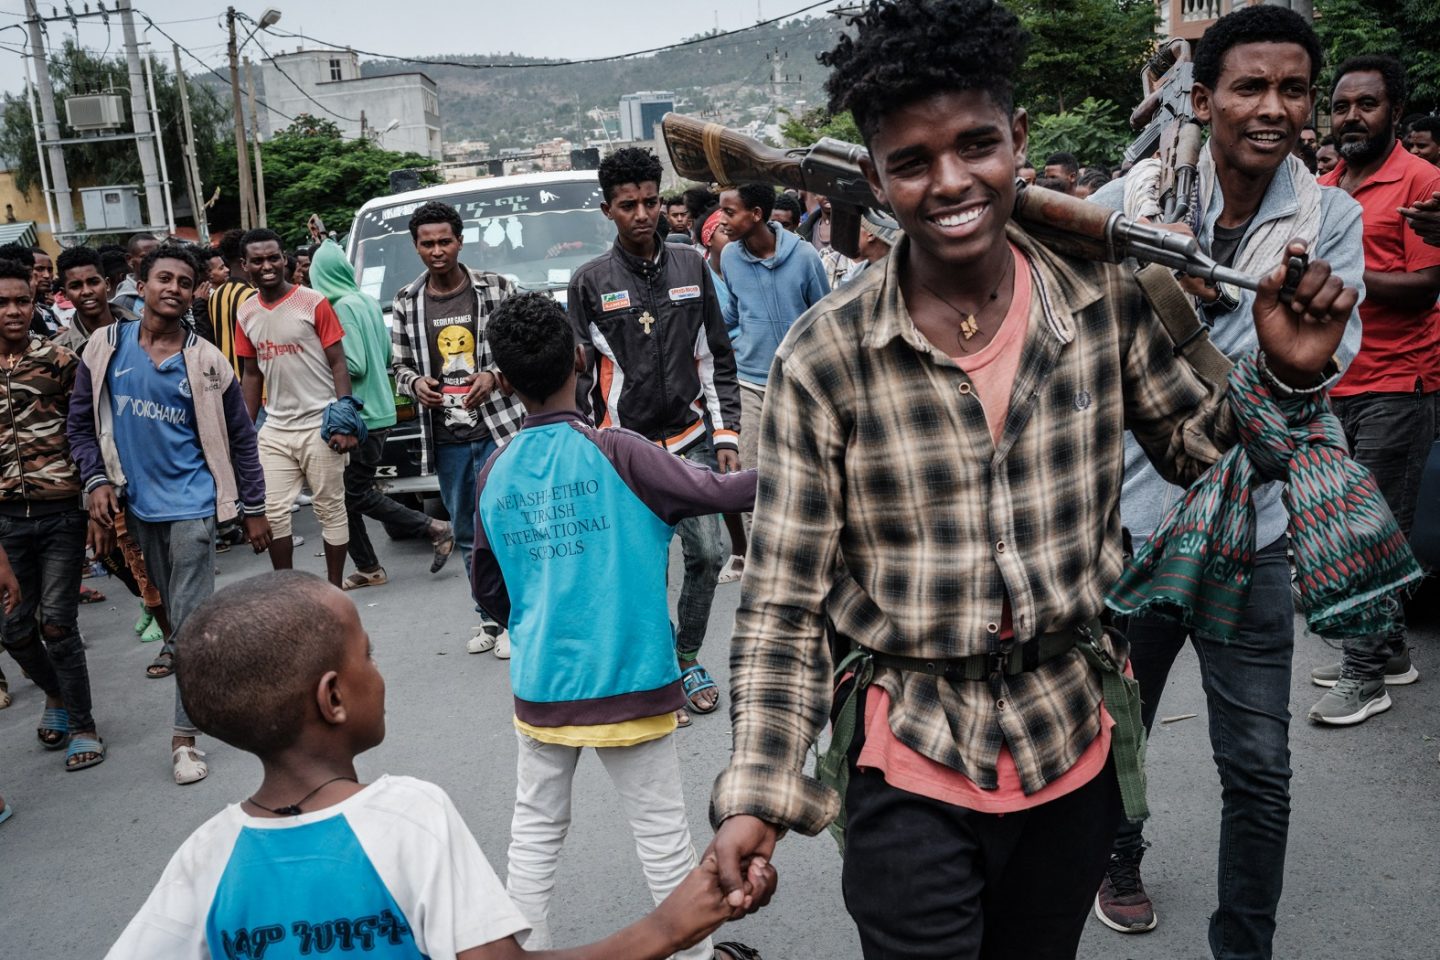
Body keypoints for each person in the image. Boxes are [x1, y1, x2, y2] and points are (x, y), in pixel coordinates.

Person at [705, 3, 1358, 959]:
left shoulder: (1106, 297)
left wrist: (1287, 374)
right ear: (876, 177)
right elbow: (783, 602)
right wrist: (759, 795)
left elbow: (1202, 448)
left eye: (976, 145)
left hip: (1071, 739)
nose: (952, 182)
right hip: (910, 753)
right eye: (914, 162)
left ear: (1018, 140)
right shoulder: (826, 356)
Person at [1088, 6, 1364, 952]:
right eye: (1250, 86)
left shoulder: (1332, 218)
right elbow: (1082, 349)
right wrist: (1157, 288)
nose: (1274, 107)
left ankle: (1244, 941)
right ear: (1202, 100)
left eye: (1294, 88)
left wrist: (1291, 363)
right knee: (1117, 735)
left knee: (1259, 767)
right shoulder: (1137, 197)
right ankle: (1117, 858)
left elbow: (1329, 365)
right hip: (1136, 521)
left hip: (1257, 532)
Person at [105, 569, 752, 960]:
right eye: (370, 655)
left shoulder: (204, 857)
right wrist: (669, 925)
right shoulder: (408, 818)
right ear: (332, 698)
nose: (379, 674)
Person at [471, 293, 760, 960]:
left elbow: (490, 591)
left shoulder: (494, 471)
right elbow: (717, 493)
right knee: (662, 835)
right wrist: (806, 468)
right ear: (580, 359)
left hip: (542, 688)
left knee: (534, 834)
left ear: (506, 383)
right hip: (630, 679)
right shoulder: (621, 453)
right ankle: (693, 955)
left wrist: (536, 620)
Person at [69, 243, 271, 786]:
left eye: (185, 282)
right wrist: (94, 481)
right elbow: (81, 426)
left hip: (193, 508)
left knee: (188, 624)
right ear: (140, 282)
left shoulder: (206, 360)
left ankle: (184, 740)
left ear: (192, 292)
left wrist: (254, 508)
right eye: (164, 278)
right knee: (167, 612)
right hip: (134, 509)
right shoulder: (104, 347)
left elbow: (241, 439)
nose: (174, 289)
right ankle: (225, 684)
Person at [568, 148, 743, 722]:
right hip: (624, 449)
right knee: (641, 569)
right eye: (628, 205)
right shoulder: (589, 282)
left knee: (710, 553)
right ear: (607, 210)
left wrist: (726, 433)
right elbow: (579, 375)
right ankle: (663, 668)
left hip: (692, 438)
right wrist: (584, 445)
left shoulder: (693, 266)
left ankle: (687, 654)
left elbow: (715, 355)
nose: (642, 214)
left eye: (650, 201)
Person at [1309, 55, 1440, 723]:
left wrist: (1342, 278)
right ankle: (1387, 651)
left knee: (1368, 534)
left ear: (1394, 110)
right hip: (1338, 381)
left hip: (1401, 382)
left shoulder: (1424, 182)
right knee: (1345, 528)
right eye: (1341, 105)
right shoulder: (1323, 185)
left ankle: (1365, 678)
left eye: (1367, 104)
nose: (1352, 116)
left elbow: (1425, 290)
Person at [391, 201, 525, 657]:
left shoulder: (496, 288)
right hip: (446, 438)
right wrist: (415, 385)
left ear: (460, 241)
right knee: (467, 531)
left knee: (506, 524)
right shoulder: (407, 302)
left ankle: (517, 621)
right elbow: (399, 366)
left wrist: (495, 373)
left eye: (444, 241)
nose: (436, 250)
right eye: (427, 243)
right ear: (416, 246)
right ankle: (488, 618)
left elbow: (525, 343)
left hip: (498, 428)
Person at [0, 257, 104, 772]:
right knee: (14, 629)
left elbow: (84, 431)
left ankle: (84, 724)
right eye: (3, 303)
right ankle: (56, 696)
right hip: (4, 523)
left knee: (58, 625)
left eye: (23, 300)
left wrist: (95, 500)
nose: (15, 311)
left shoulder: (60, 362)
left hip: (61, 512)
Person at [307, 238, 456, 588]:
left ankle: (433, 527)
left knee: (353, 494)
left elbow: (353, 364)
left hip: (361, 416)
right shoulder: (366, 302)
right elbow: (384, 357)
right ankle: (369, 567)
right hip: (381, 409)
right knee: (348, 495)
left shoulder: (341, 307)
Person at [235, 228, 359, 589]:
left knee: (329, 508)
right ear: (245, 266)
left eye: (273, 257)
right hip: (275, 429)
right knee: (271, 511)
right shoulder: (245, 312)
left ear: (284, 259)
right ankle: (289, 591)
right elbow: (251, 374)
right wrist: (244, 431)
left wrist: (344, 418)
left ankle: (333, 591)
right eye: (257, 260)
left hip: (321, 424)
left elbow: (339, 363)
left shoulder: (313, 302)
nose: (267, 265)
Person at [52, 246, 164, 644]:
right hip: (98, 462)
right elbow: (70, 418)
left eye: (92, 282)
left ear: (109, 284)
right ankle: (148, 601)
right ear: (64, 292)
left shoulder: (141, 326)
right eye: (75, 285)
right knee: (112, 550)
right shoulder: (62, 350)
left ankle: (162, 611)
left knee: (153, 541)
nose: (86, 292)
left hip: (149, 451)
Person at [716, 181, 829, 521]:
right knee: (752, 479)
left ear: (756, 215)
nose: (721, 219)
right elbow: (733, 313)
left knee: (808, 478)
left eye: (729, 212)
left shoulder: (805, 257)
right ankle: (760, 563)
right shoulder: (730, 258)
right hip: (750, 384)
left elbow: (823, 316)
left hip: (800, 383)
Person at [209, 228, 257, 378]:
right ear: (245, 257)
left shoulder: (215, 296)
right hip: (252, 382)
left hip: (226, 380)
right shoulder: (253, 296)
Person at [840, 208, 900, 283]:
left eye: (853, 228)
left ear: (870, 234)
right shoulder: (856, 273)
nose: (848, 234)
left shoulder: (901, 273)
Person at [111, 232, 158, 316]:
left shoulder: (170, 290)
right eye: (145, 257)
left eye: (158, 256)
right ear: (129, 259)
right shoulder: (122, 303)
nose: (153, 261)